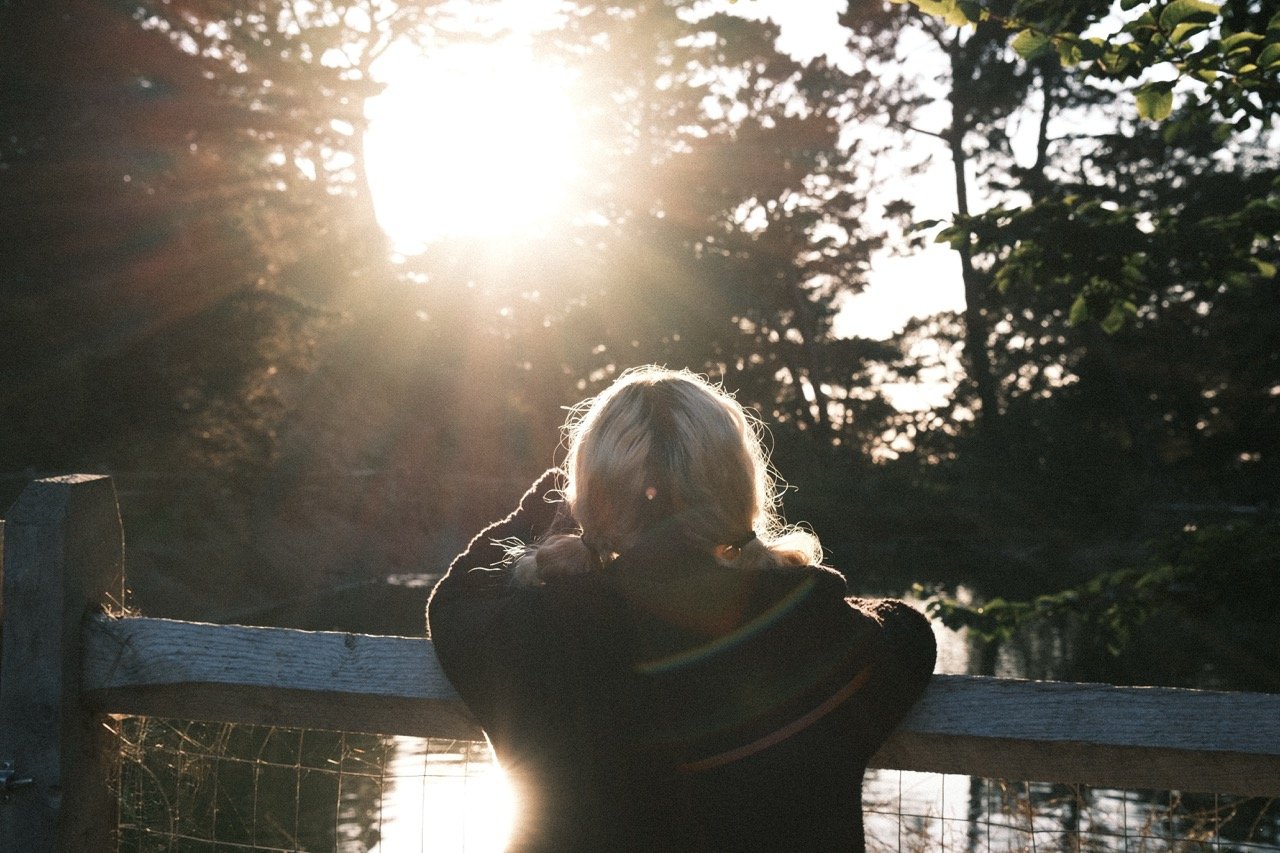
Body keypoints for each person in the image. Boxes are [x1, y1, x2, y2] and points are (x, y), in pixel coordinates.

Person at [427, 366, 935, 852]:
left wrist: (539, 512)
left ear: (592, 494)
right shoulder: (813, 628)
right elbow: (910, 636)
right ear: (737, 485)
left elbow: (453, 604)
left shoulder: (535, 633)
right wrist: (779, 574)